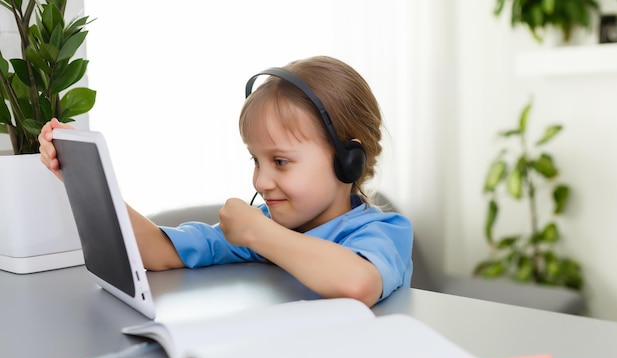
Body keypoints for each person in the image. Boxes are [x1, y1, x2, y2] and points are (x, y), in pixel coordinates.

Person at [39, 55, 413, 307]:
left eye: (280, 161)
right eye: (256, 159)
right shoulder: (264, 227)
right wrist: (82, 178)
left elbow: (358, 284)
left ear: (349, 160)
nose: (261, 180)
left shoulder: (383, 231)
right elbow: (156, 250)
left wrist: (258, 234)